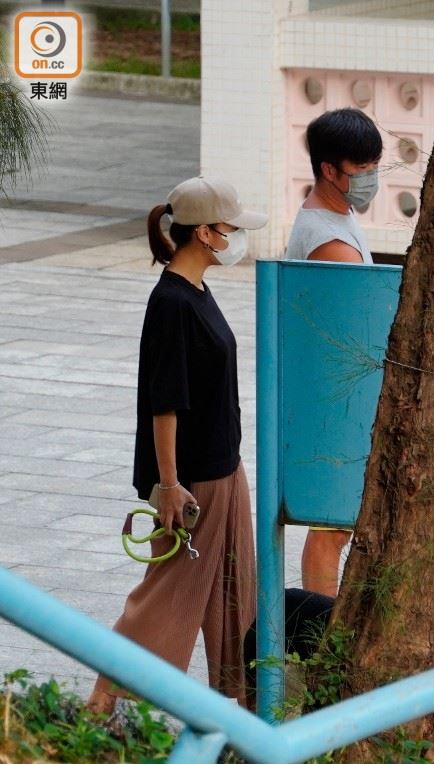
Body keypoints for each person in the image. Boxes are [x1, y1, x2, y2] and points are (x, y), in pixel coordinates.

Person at [87, 176, 267, 715]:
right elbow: (164, 404)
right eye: (229, 228)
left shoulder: (197, 292)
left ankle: (242, 708)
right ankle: (102, 701)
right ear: (205, 233)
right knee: (168, 595)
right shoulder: (171, 303)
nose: (235, 238)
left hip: (223, 468)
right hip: (196, 480)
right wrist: (169, 485)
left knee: (235, 593)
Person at [285, 107, 383, 597]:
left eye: (374, 169)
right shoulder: (328, 241)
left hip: (339, 394)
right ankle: (320, 636)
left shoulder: (334, 219)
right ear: (329, 169)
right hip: (337, 399)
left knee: (336, 525)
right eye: (361, 172)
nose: (370, 181)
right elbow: (358, 325)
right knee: (331, 526)